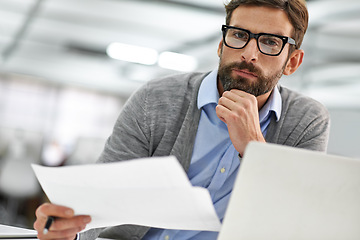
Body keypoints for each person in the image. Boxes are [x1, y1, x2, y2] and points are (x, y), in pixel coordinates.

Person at [33, 0, 330, 239]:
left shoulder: (306, 121)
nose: (249, 53)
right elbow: (100, 207)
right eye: (239, 35)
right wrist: (68, 233)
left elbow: (294, 225)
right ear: (221, 45)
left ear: (292, 61)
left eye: (269, 42)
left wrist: (253, 148)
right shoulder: (156, 98)